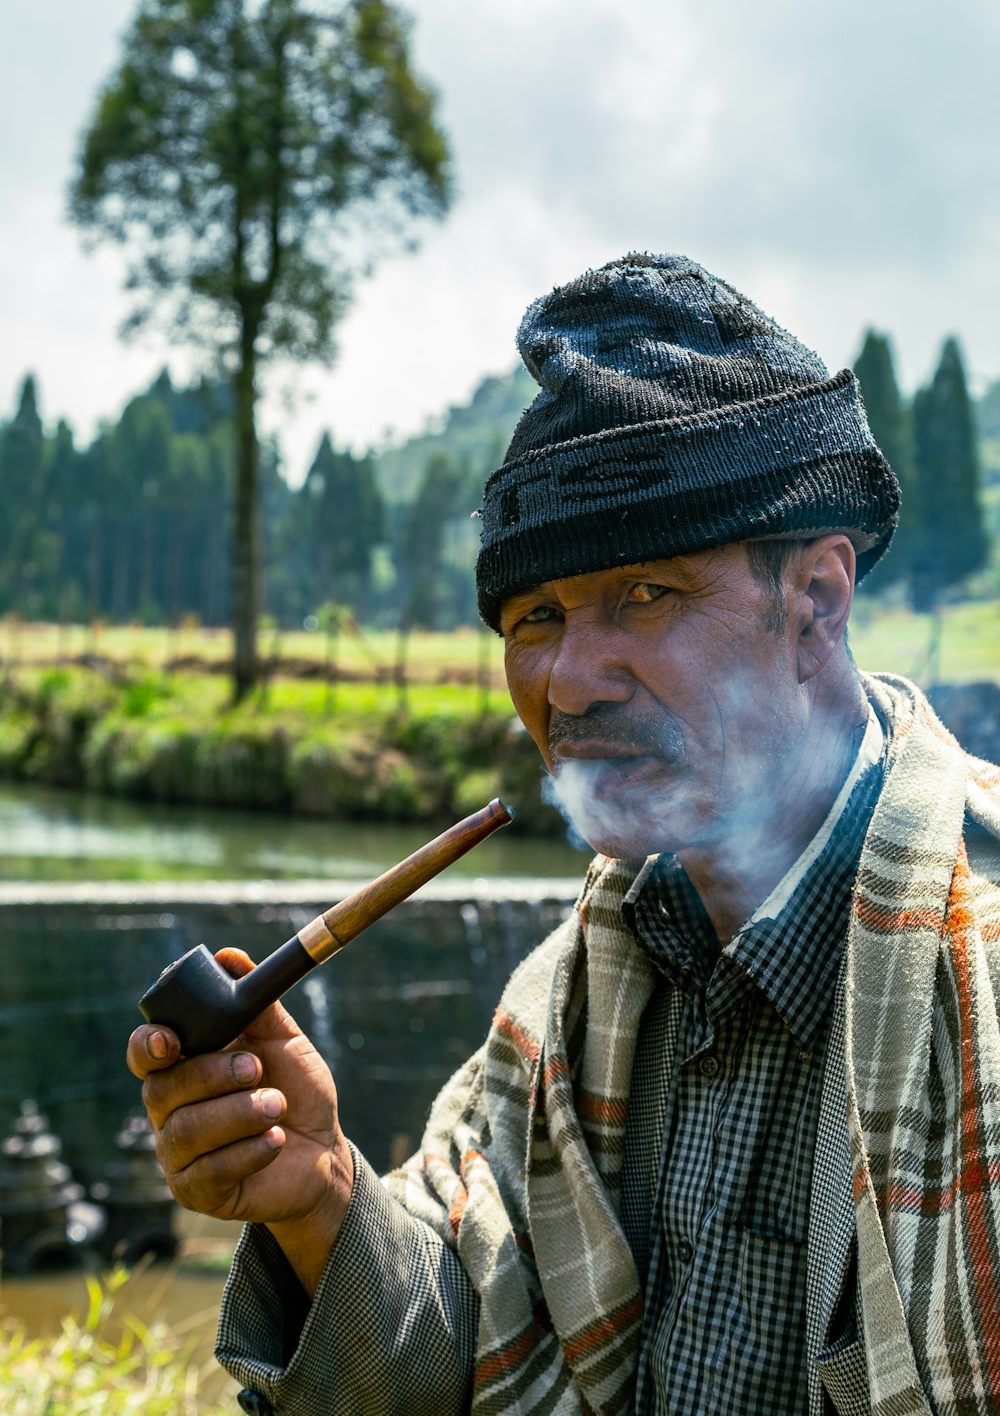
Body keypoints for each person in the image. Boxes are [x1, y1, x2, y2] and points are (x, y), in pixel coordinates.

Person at [128, 253, 1000, 1416]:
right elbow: (467, 1349)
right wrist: (319, 1196)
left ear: (817, 601)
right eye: (535, 616)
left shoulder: (977, 969)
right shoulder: (575, 996)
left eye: (646, 596)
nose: (571, 682)